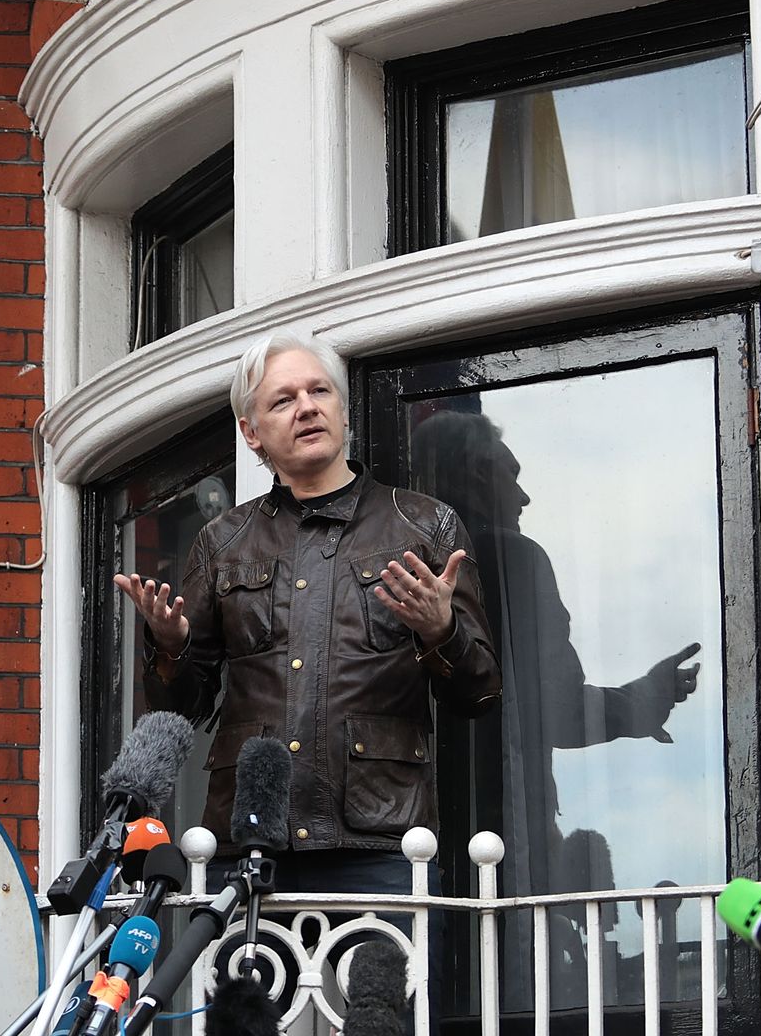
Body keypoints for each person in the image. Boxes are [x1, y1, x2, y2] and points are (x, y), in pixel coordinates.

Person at [112, 329, 502, 895]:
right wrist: (170, 647)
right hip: (248, 836)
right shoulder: (223, 542)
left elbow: (481, 695)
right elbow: (180, 713)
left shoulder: (424, 526)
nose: (307, 408)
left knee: (392, 987)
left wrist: (441, 631)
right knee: (245, 987)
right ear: (251, 434)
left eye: (319, 391)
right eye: (283, 400)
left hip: (382, 841)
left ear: (344, 413)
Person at [410, 408, 701, 1010]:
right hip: (504, 832)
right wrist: (639, 704)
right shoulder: (513, 558)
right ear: (470, 477)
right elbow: (556, 708)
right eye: (506, 474)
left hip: (406, 841)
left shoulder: (391, 567)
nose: (524, 494)